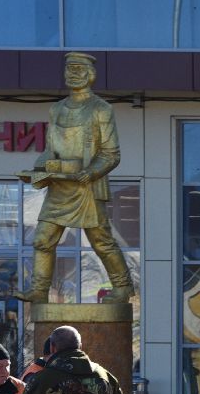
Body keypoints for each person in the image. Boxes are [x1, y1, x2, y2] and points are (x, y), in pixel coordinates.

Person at [14, 52, 131, 303]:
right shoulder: (56, 109)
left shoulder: (101, 109)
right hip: (59, 187)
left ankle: (123, 288)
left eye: (78, 69)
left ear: (91, 74)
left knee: (101, 242)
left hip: (87, 187)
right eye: (69, 68)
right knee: (42, 240)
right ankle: (39, 290)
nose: (73, 73)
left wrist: (89, 173)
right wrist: (38, 169)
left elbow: (112, 154)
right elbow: (49, 150)